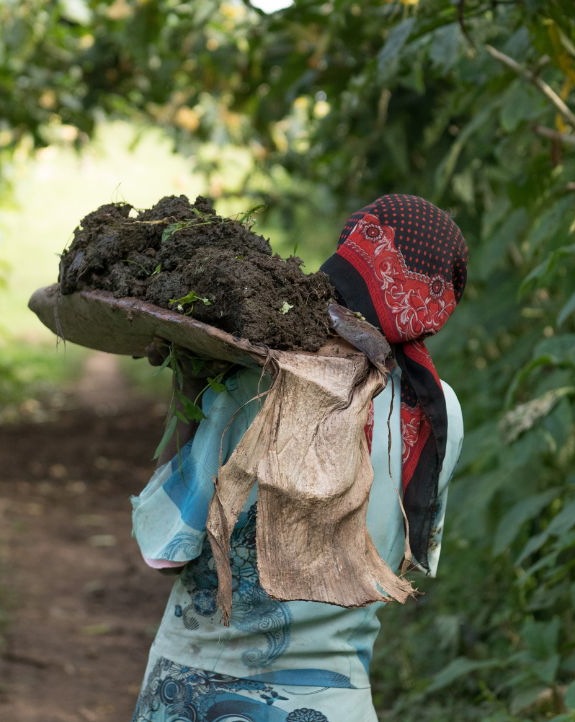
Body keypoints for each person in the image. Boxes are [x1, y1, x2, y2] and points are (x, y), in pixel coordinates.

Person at [129, 194, 469, 722]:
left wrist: (190, 388)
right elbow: (405, 565)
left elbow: (164, 552)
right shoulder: (438, 413)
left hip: (195, 699)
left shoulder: (254, 380)